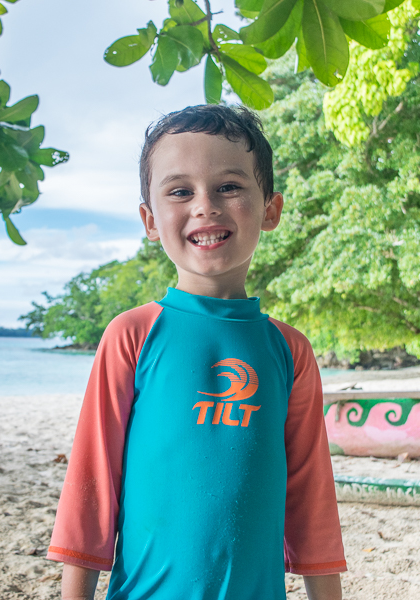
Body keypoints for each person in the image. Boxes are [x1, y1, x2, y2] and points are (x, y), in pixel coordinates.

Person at [46, 105, 346, 600]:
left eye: (229, 187)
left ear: (270, 209)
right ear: (150, 220)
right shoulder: (132, 335)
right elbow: (92, 483)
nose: (205, 206)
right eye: (180, 191)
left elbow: (311, 495)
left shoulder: (289, 350)